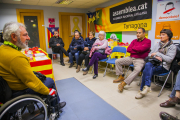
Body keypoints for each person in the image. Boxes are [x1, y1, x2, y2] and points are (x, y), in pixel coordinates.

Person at [0, 22, 66, 108]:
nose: (28, 37)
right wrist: (47, 91)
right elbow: (32, 82)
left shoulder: (2, 49)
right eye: (25, 35)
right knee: (50, 81)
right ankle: (55, 105)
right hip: (20, 90)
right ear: (13, 37)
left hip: (8, 89)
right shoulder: (16, 57)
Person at [135, 29, 176, 99]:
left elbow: (169, 60)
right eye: (161, 34)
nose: (161, 36)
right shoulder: (158, 44)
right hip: (154, 64)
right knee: (148, 65)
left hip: (163, 67)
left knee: (146, 70)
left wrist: (158, 54)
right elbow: (150, 54)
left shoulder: (172, 47)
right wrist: (155, 56)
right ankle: (147, 87)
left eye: (163, 35)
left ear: (168, 36)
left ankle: (142, 90)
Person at [113, 28, 151, 92]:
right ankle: (121, 76)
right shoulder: (134, 41)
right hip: (131, 57)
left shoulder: (148, 41)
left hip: (140, 59)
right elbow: (128, 49)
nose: (138, 34)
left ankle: (123, 83)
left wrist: (134, 49)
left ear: (144, 33)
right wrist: (138, 50)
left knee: (137, 69)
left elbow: (141, 49)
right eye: (137, 33)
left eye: (139, 33)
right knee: (117, 61)